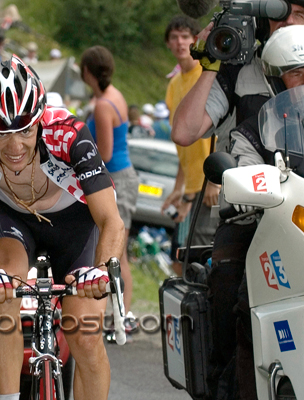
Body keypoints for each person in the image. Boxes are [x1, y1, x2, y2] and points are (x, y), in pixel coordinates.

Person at [0, 55, 124, 400]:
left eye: (26, 130)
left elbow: (110, 220)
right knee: (4, 284)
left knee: (84, 333)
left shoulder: (69, 133)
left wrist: (101, 271)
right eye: (1, 133)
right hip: (10, 219)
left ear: (41, 119)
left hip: (74, 220)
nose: (15, 147)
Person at [171, 4, 304, 399]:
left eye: (299, 12)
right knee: (230, 289)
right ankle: (228, 385)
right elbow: (184, 130)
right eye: (281, 13)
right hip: (256, 217)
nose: (290, 22)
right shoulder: (241, 69)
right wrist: (213, 59)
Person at [80, 45, 139, 337]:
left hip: (115, 178)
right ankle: (120, 313)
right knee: (116, 249)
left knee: (118, 252)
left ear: (86, 71)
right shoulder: (112, 96)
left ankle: (123, 314)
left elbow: (102, 151)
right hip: (122, 176)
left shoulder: (103, 105)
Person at [160, 15, 218, 277]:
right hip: (192, 186)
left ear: (196, 40)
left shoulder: (206, 75)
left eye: (186, 37)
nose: (181, 42)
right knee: (181, 258)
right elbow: (183, 142)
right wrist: (178, 188)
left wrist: (215, 180)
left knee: (199, 257)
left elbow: (220, 129)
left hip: (211, 184)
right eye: (175, 37)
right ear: (168, 44)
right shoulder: (173, 85)